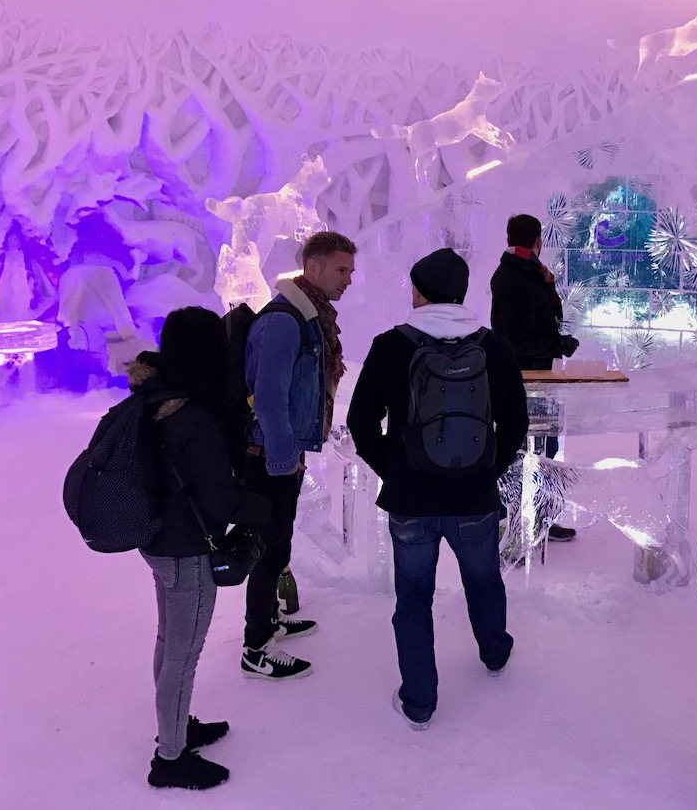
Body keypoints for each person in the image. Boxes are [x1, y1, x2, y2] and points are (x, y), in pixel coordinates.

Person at [348, 247, 528, 729]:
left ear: (420, 292)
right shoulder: (494, 347)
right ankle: (495, 654)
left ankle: (419, 702)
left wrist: (394, 469)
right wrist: (487, 469)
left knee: (412, 600)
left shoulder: (391, 345)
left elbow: (361, 421)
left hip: (411, 500)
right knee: (484, 581)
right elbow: (516, 423)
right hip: (474, 498)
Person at [133, 308, 270, 790]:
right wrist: (263, 507)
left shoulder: (155, 396)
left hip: (159, 538)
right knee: (182, 653)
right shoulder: (196, 416)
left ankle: (175, 727)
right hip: (186, 547)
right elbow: (220, 499)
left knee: (169, 640)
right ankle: (170, 757)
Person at [240, 230, 356, 679]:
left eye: (350, 271)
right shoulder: (284, 321)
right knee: (269, 551)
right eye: (341, 269)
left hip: (281, 453)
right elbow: (269, 397)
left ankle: (269, 619)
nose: (348, 279)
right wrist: (282, 458)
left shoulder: (308, 317)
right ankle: (256, 649)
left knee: (278, 543)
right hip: (268, 455)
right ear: (313, 267)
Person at [490, 213, 579, 542]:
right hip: (527, 380)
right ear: (538, 240)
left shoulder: (526, 272)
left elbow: (547, 320)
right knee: (529, 451)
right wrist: (559, 345)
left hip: (536, 377)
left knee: (542, 449)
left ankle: (535, 519)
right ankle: (519, 521)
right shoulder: (515, 277)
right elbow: (517, 339)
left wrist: (549, 287)